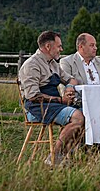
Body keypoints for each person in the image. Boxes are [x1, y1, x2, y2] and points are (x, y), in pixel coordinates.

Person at [18, 31, 84, 165]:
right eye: (59, 46)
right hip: (36, 107)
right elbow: (33, 96)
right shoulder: (32, 65)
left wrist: (69, 88)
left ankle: (72, 154)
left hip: (55, 105)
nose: (61, 49)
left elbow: (71, 79)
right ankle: (54, 158)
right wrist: (61, 100)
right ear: (48, 46)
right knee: (77, 117)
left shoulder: (53, 63)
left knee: (88, 112)